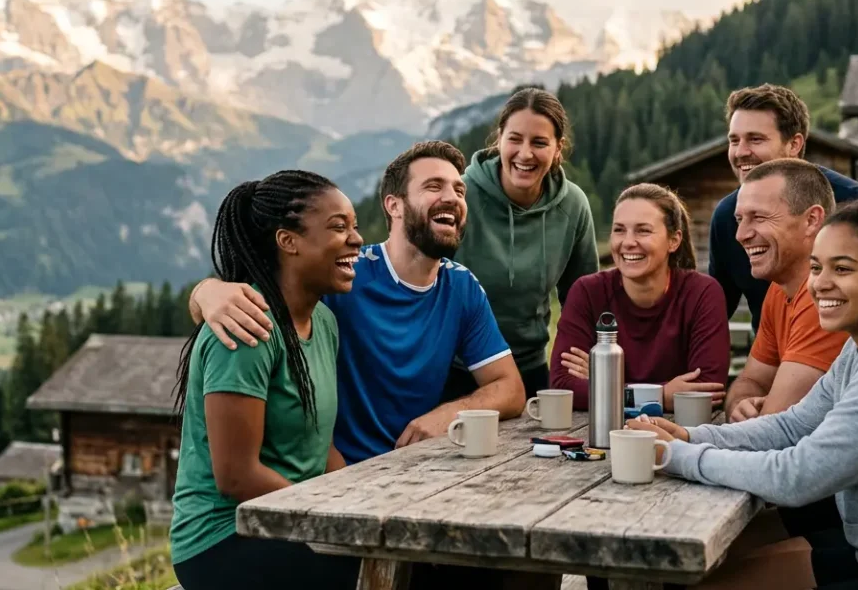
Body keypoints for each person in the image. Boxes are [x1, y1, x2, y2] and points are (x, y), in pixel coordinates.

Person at [630, 200, 858, 589]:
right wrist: (692, 435)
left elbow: (798, 475)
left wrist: (676, 456)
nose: (820, 284)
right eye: (816, 268)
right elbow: (793, 426)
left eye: (842, 269)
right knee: (704, 579)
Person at [186, 141, 525, 465]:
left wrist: (449, 414)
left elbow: (510, 388)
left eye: (459, 190)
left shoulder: (461, 286)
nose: (452, 197)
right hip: (337, 470)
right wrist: (205, 291)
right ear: (394, 205)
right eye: (434, 186)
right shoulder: (342, 274)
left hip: (419, 469)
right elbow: (264, 293)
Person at [168, 170, 363, 590]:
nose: (356, 239)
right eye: (338, 227)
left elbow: (320, 447)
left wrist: (356, 504)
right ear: (288, 241)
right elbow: (236, 476)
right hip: (224, 538)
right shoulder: (247, 329)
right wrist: (326, 518)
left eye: (354, 226)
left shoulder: (324, 322)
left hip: (293, 519)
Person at [444, 86, 600, 400]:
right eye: (515, 139)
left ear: (558, 148)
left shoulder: (573, 206)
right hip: (454, 370)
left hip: (530, 369)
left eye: (539, 142)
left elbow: (583, 301)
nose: (525, 154)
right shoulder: (461, 197)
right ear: (499, 139)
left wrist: (582, 366)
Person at [549, 183, 730, 411]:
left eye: (643, 231)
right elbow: (563, 387)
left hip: (679, 430)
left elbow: (707, 390)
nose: (628, 242)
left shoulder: (702, 293)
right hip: (597, 428)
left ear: (674, 240)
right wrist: (660, 395)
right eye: (619, 230)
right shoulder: (587, 292)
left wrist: (604, 383)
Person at [708, 84, 858, 332]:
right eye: (734, 140)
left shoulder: (851, 202)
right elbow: (715, 312)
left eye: (755, 139)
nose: (740, 152)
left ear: (794, 144)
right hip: (770, 351)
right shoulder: (726, 216)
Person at [722, 158, 850, 423]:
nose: (741, 234)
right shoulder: (779, 289)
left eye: (758, 217)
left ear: (811, 220)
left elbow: (775, 424)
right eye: (739, 220)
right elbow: (751, 380)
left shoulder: (827, 295)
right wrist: (740, 404)